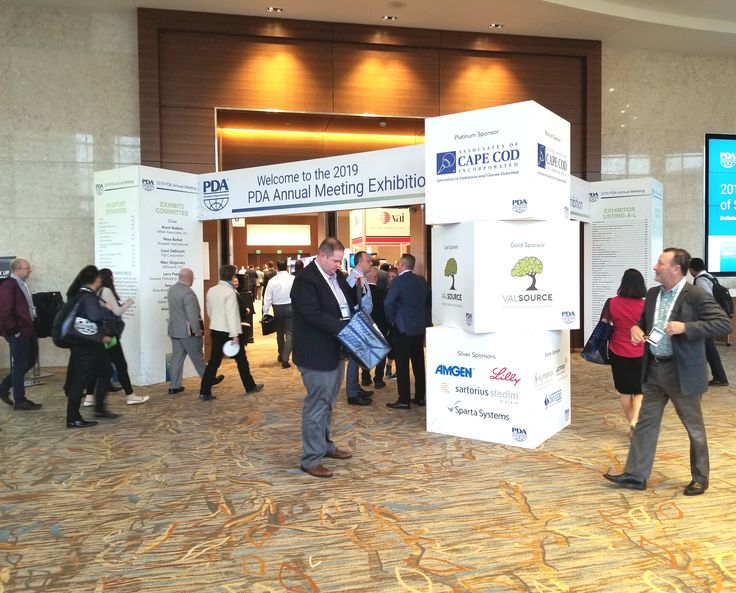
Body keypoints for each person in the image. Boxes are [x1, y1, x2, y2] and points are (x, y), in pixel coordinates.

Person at [604, 248, 732, 496]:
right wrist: (635, 328)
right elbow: (644, 321)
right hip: (653, 368)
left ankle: (700, 478)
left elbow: (723, 322)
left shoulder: (694, 294)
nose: (654, 267)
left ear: (675, 268)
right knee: (645, 423)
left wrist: (687, 326)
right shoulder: (652, 294)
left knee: (693, 428)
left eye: (660, 263)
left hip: (682, 372)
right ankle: (635, 475)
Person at [291, 237, 357, 478]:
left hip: (335, 350)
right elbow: (313, 315)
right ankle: (310, 459)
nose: (339, 265)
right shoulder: (304, 280)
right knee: (317, 405)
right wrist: (345, 328)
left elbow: (347, 306)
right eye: (336, 261)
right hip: (315, 353)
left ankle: (326, 446)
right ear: (322, 256)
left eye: (341, 261)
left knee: (329, 403)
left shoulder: (338, 277)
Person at [82, 268, 149, 407]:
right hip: (109, 336)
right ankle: (130, 395)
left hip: (100, 334)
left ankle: (89, 397)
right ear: (109, 278)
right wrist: (128, 303)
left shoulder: (97, 291)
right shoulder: (106, 291)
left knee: (96, 365)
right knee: (120, 364)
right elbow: (117, 311)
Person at [64, 265, 119, 428]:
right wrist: (106, 309)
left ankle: (100, 408)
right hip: (86, 346)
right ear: (96, 280)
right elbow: (94, 316)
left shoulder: (81, 294)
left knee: (105, 371)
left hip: (91, 344)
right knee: (80, 380)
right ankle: (73, 417)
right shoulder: (87, 297)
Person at [199, 265, 263, 401]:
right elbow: (231, 315)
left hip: (216, 329)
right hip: (229, 332)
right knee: (242, 361)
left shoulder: (211, 290)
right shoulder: (230, 293)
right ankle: (250, 386)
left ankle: (204, 391)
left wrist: (216, 322)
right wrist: (235, 336)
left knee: (213, 362)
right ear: (232, 276)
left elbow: (210, 311)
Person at [384, 254, 431, 409]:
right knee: (418, 364)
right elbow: (428, 303)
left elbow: (388, 302)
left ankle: (404, 399)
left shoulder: (398, 281)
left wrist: (392, 320)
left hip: (403, 330)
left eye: (398, 264)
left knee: (402, 365)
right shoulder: (421, 281)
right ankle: (420, 397)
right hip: (419, 329)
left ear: (402, 265)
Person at [166, 267, 223, 395]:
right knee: (198, 357)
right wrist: (197, 330)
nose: (193, 280)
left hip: (175, 330)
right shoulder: (188, 293)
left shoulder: (172, 289)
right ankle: (209, 380)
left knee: (176, 358)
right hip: (188, 332)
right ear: (188, 278)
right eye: (192, 277)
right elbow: (192, 314)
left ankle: (174, 386)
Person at [605, 269, 646, 437]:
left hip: (618, 351)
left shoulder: (611, 303)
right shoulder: (645, 305)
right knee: (640, 390)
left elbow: (604, 323)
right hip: (641, 351)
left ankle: (631, 423)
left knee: (624, 391)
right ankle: (636, 420)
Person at [0, 258, 42, 410]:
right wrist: (15, 331)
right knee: (20, 365)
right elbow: (5, 312)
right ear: (17, 269)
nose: (30, 270)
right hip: (19, 332)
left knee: (29, 361)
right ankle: (20, 400)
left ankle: (4, 387)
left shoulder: (21, 283)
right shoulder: (8, 285)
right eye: (27, 268)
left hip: (28, 330)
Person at [688, 257, 729, 386]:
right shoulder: (711, 277)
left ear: (692, 269)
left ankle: (720, 377)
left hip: (707, 319)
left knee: (709, 348)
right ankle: (699, 376)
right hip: (713, 317)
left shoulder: (700, 280)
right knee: (706, 347)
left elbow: (706, 300)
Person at [345, 251, 374, 405]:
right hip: (357, 322)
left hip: (362, 321)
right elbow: (351, 303)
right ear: (360, 262)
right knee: (354, 358)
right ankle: (352, 393)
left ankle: (355, 387)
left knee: (357, 357)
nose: (371, 263)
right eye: (368, 261)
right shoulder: (353, 279)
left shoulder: (360, 278)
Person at [262, 260, 295, 368]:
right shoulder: (293, 279)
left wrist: (265, 312)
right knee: (290, 334)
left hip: (277, 308)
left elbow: (267, 298)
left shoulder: (272, 281)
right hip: (291, 307)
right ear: (287, 267)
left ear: (276, 267)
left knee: (279, 333)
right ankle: (285, 359)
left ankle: (281, 354)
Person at [365, 267, 389, 389]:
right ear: (376, 278)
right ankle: (378, 379)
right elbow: (387, 311)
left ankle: (365, 377)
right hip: (381, 326)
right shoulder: (383, 293)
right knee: (381, 353)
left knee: (365, 351)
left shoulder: (362, 292)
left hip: (366, 327)